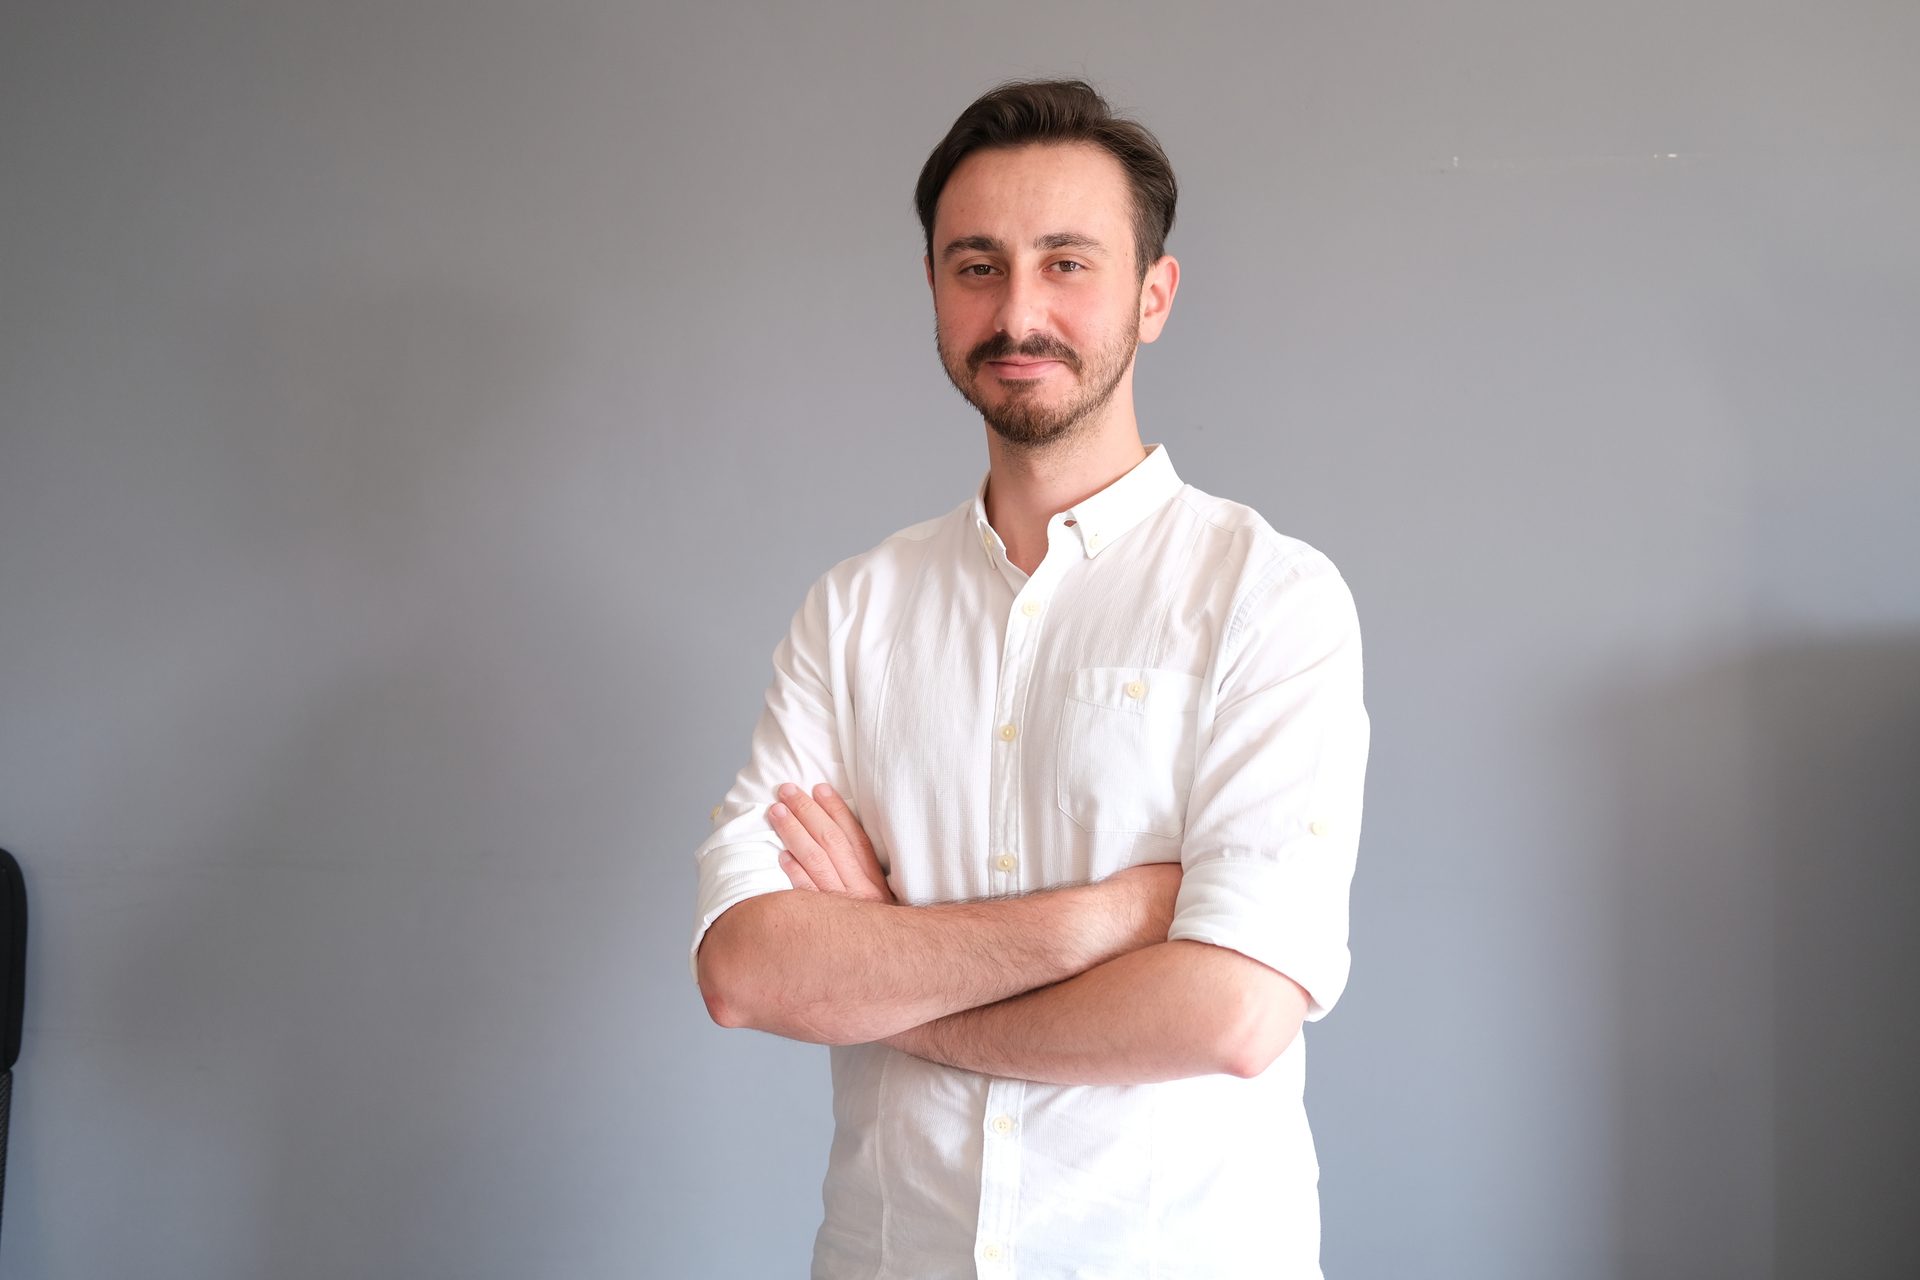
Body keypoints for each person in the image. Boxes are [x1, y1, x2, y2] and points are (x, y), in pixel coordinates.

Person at [691, 78, 1370, 1279]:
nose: (1018, 310)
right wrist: (1106, 918)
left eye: (1068, 262)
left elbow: (1230, 1013)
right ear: (935, 292)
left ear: (1153, 294)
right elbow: (749, 967)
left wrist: (890, 969)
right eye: (978, 265)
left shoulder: (1270, 597)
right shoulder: (856, 611)